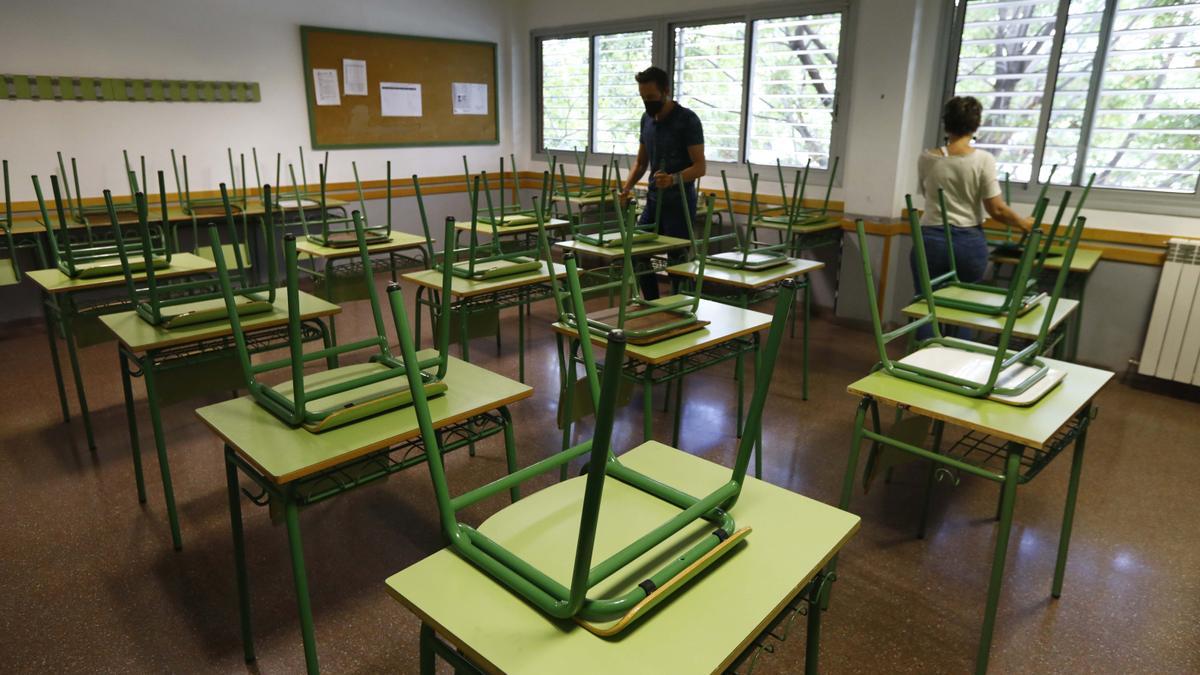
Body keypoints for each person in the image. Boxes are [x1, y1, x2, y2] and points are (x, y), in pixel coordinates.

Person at [913, 95, 1033, 337]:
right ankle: (959, 366)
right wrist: (1023, 223)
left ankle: (921, 361)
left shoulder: (927, 158)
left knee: (925, 303)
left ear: (946, 123)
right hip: (967, 241)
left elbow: (928, 195)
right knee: (965, 308)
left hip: (930, 239)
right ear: (976, 125)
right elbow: (996, 209)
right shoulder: (982, 159)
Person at [619, 66, 706, 300]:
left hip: (680, 203)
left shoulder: (687, 120)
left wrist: (674, 179)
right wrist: (626, 187)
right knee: (637, 249)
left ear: (666, 91)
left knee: (678, 262)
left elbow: (700, 167)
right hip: (654, 200)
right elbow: (641, 161)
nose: (647, 103)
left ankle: (679, 309)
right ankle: (652, 303)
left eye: (651, 97)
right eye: (643, 98)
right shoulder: (646, 120)